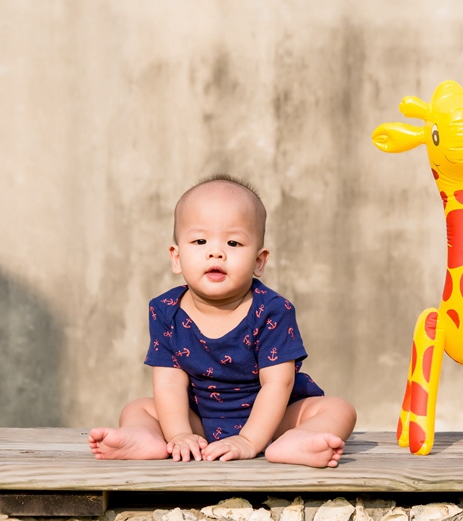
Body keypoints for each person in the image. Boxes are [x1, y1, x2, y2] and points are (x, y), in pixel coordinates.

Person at [88, 175, 356, 467]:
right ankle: (146, 436)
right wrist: (179, 433)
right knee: (139, 407)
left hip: (273, 419)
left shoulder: (272, 310)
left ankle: (297, 441)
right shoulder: (165, 310)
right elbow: (169, 384)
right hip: (200, 419)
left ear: (258, 261)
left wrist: (250, 440)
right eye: (200, 240)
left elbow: (278, 384)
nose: (216, 252)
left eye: (233, 242)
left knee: (338, 410)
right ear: (176, 257)